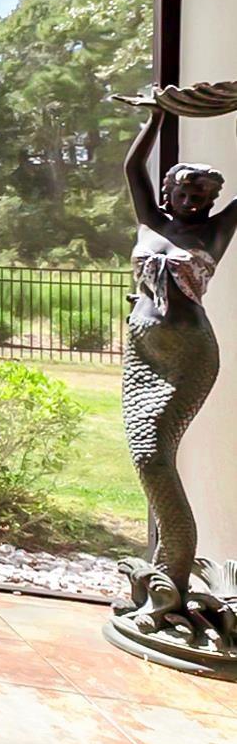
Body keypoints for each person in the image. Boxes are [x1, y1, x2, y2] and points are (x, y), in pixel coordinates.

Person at [120, 100, 237, 595]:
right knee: (147, 456)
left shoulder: (214, 231)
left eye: (205, 194)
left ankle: (176, 570)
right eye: (187, 190)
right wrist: (157, 118)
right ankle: (168, 572)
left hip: (188, 354)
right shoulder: (151, 220)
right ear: (169, 191)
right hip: (142, 352)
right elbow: (133, 168)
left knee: (154, 458)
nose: (195, 200)